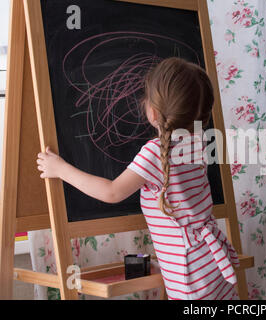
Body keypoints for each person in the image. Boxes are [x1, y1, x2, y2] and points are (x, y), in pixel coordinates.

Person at [36, 57, 240, 300]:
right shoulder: (198, 144)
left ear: (152, 112)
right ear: (203, 113)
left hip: (188, 273)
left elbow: (112, 192)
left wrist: (61, 169)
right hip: (211, 263)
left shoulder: (155, 152)